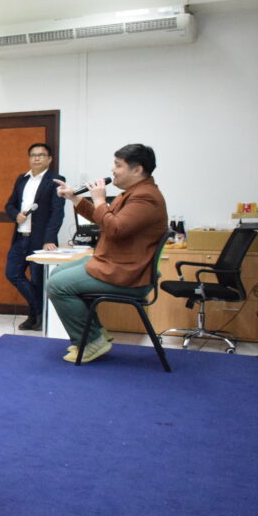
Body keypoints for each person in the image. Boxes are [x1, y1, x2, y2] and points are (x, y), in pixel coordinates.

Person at [47, 144, 168, 364]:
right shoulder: (133, 193)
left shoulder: (145, 197)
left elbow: (114, 229)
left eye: (118, 165)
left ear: (137, 170)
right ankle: (96, 333)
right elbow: (104, 220)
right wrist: (75, 198)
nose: (113, 170)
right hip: (116, 264)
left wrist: (100, 200)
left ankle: (91, 341)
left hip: (128, 274)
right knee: (58, 273)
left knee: (57, 285)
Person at [4, 143, 65, 330]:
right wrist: (16, 215)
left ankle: (34, 317)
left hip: (41, 240)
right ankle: (39, 310)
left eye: (41, 155)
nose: (36, 158)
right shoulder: (22, 179)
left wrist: (49, 239)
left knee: (38, 280)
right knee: (12, 273)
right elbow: (9, 205)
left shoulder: (55, 180)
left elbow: (57, 213)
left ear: (49, 159)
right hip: (21, 237)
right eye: (33, 155)